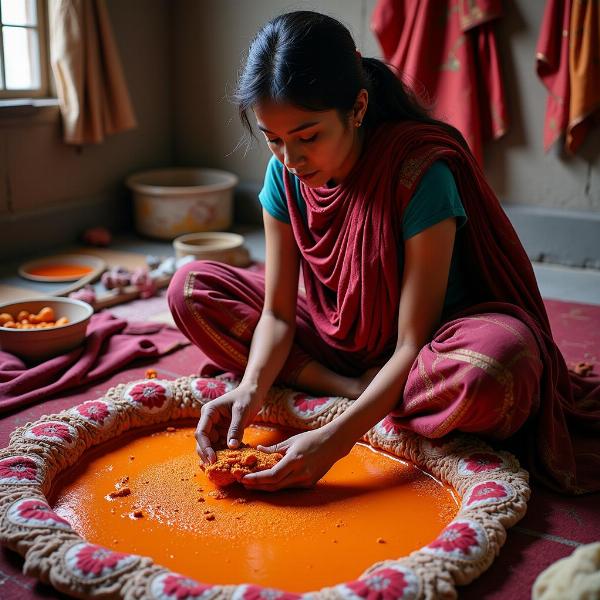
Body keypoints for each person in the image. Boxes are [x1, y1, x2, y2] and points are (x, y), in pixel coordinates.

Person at [168, 11, 600, 494]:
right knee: (190, 289)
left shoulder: (417, 172)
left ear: (357, 108)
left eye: (309, 137)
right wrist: (249, 388)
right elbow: (280, 315)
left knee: (498, 368)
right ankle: (351, 386)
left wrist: (334, 438)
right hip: (330, 332)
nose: (292, 159)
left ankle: (363, 390)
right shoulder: (284, 177)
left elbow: (412, 342)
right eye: (274, 141)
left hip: (424, 350)